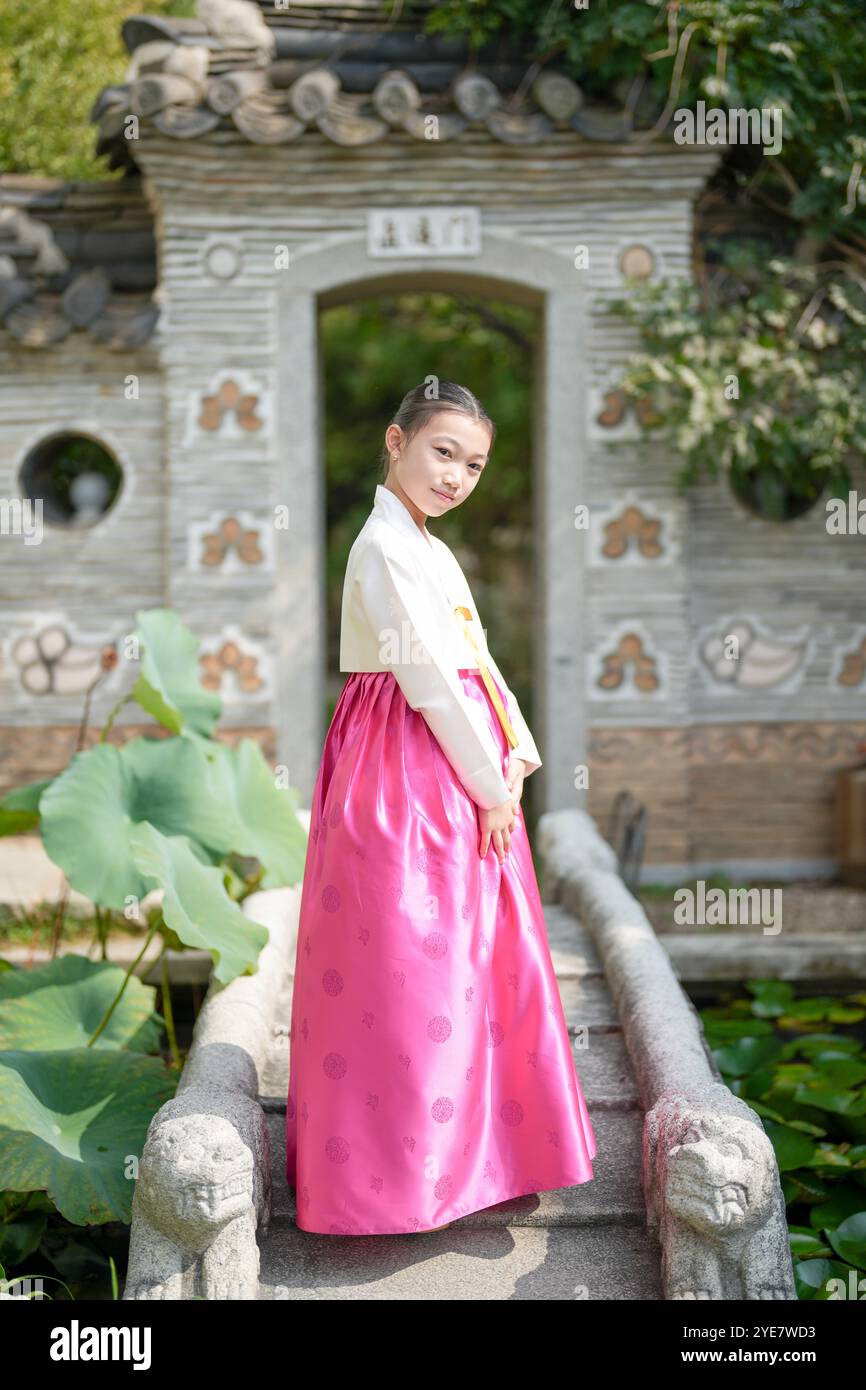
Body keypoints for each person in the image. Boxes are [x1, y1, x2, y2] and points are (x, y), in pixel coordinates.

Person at [285, 381, 597, 1236]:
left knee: (471, 951)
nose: (457, 475)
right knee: (408, 954)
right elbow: (424, 678)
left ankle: (481, 1153)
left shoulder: (430, 545)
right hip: (406, 765)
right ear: (396, 442)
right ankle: (398, 1176)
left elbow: (478, 662)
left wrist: (516, 753)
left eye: (474, 464)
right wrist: (490, 788)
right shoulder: (383, 545)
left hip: (455, 754)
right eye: (442, 452)